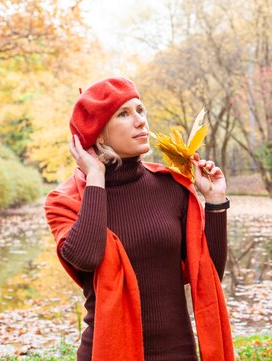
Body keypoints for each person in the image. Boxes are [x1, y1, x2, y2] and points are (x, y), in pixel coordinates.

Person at [44, 77, 234, 361]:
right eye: (124, 114)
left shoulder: (171, 186)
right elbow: (86, 257)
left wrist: (216, 202)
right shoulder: (66, 200)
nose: (140, 121)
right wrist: (96, 178)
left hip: (176, 353)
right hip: (108, 351)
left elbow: (207, 275)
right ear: (99, 134)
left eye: (140, 110)